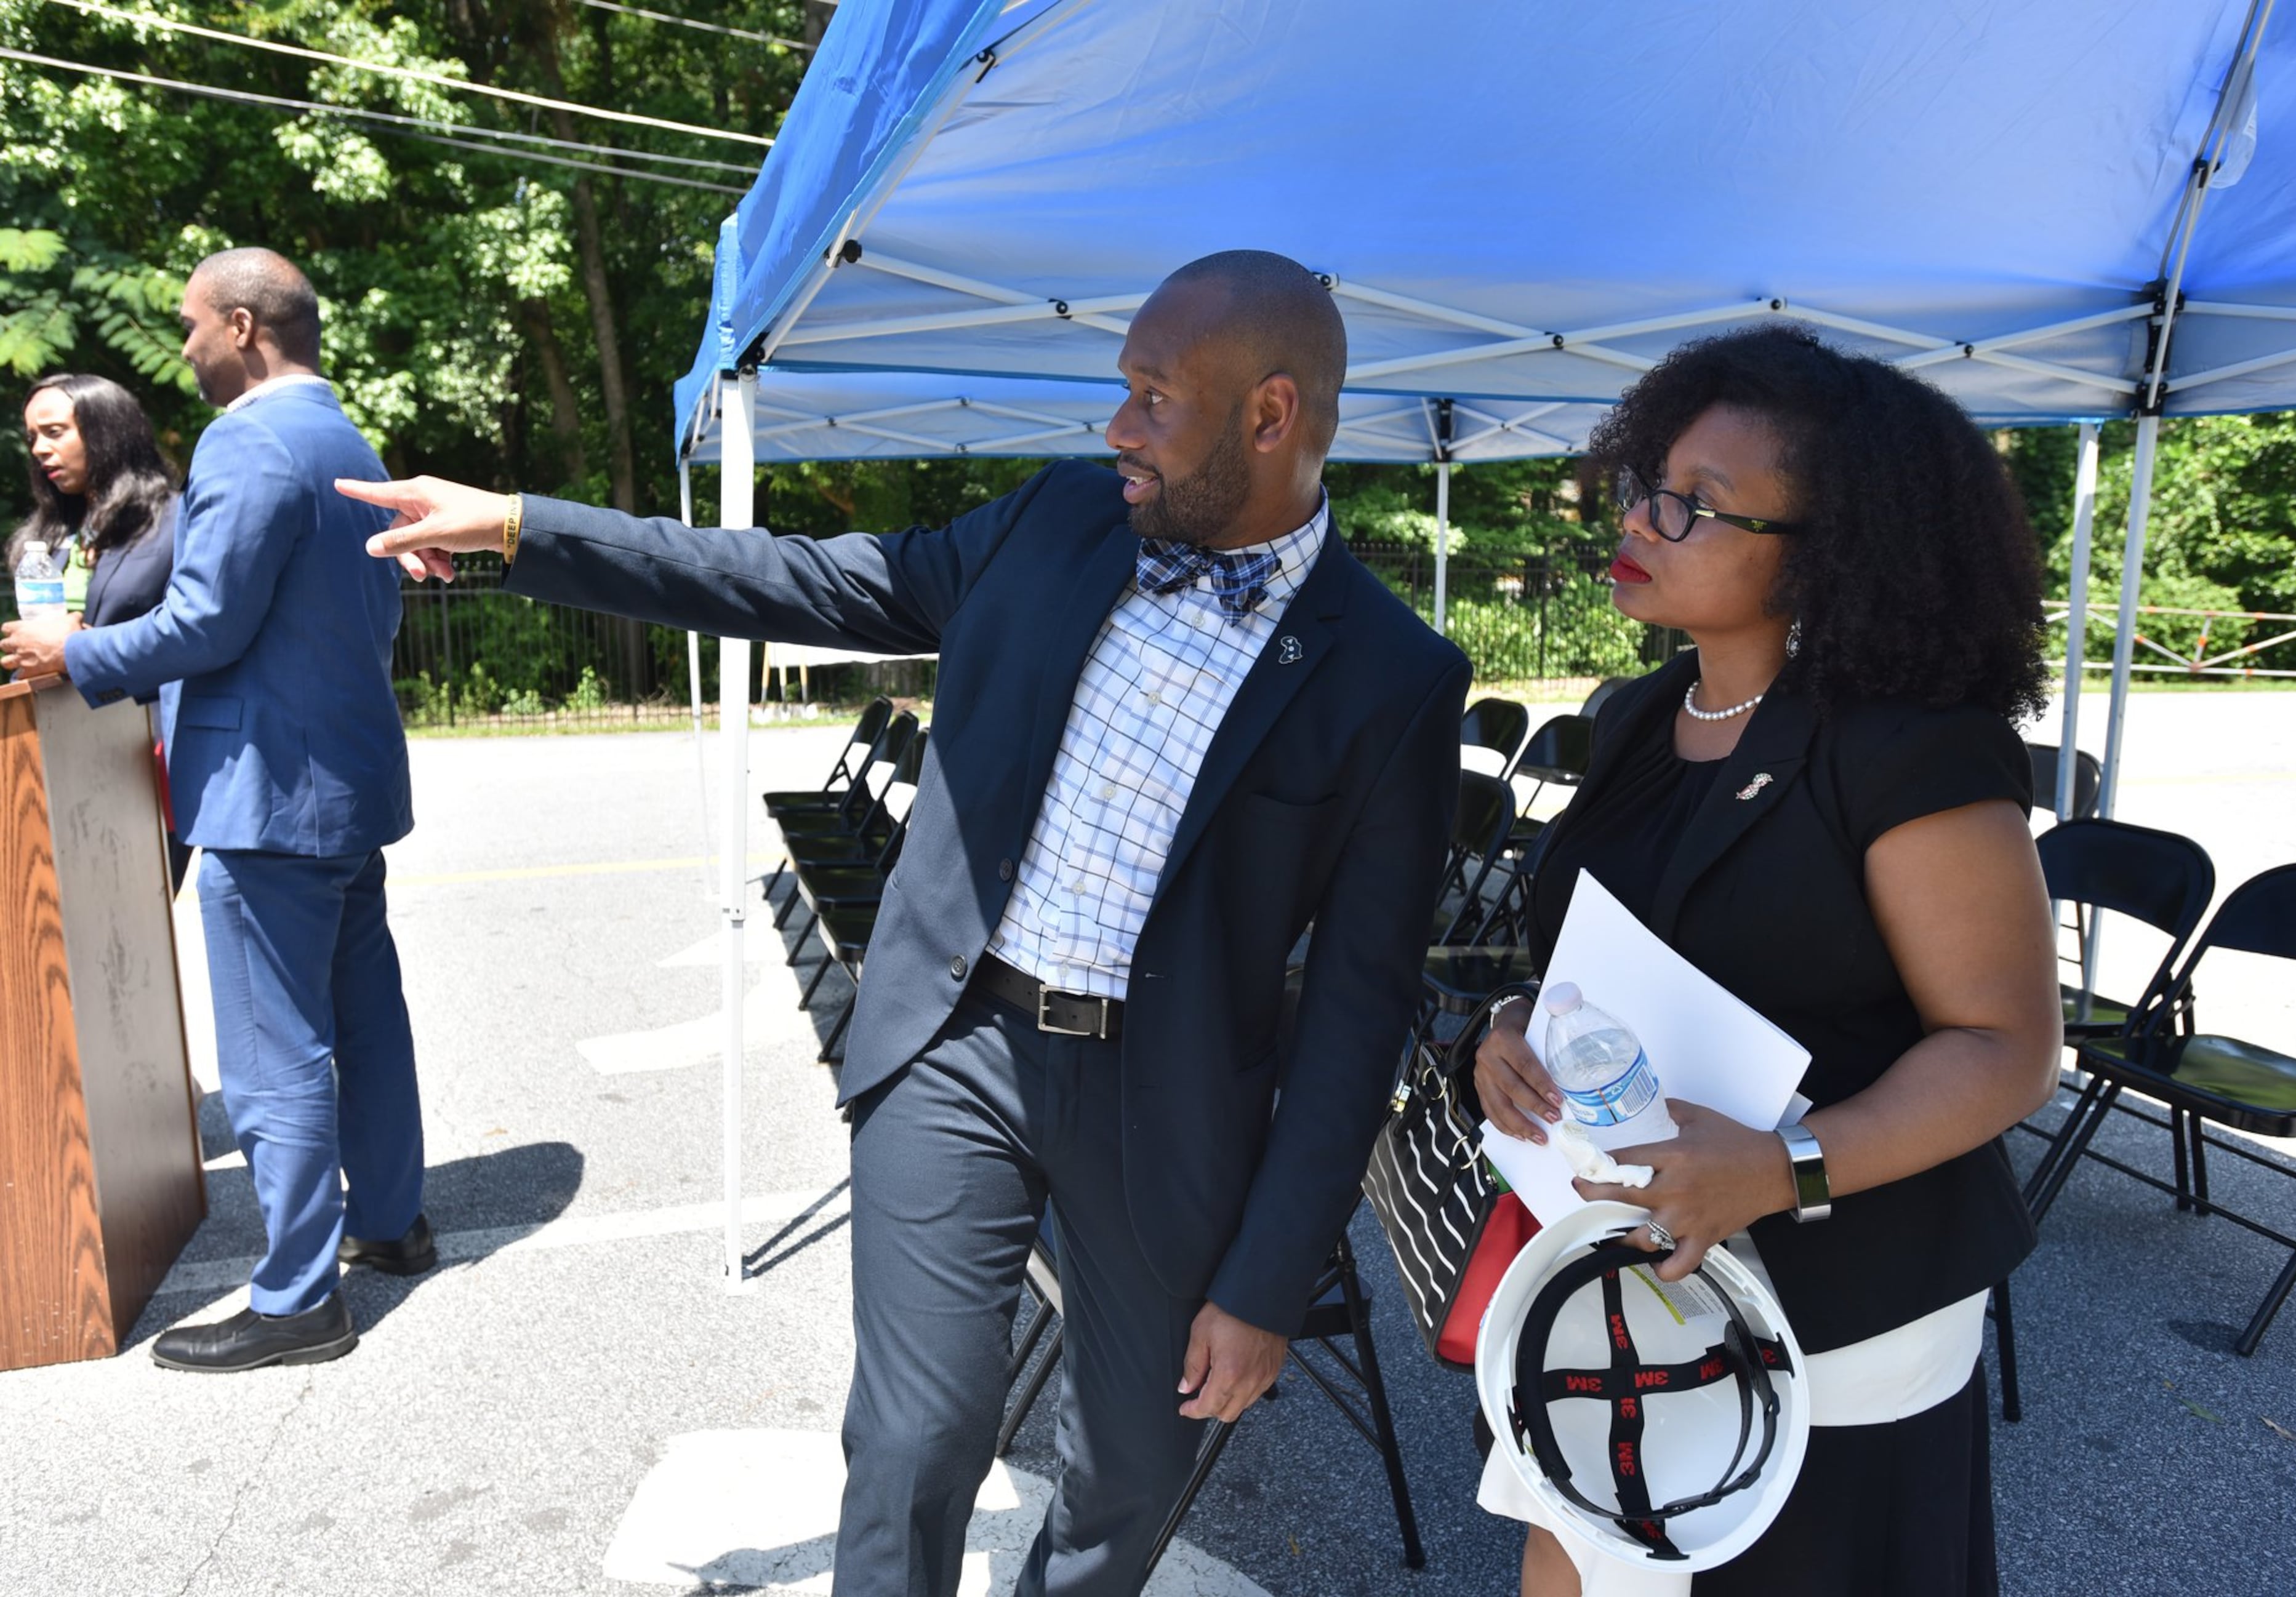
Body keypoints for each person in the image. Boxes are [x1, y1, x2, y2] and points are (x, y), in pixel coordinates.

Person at [339, 249, 1469, 1596]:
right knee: (915, 1436)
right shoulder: (1058, 520)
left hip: (1168, 1108)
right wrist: (529, 526)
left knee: (1129, 1476)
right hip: (959, 1042)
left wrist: (1274, 1276)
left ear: (1271, 415)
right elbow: (802, 579)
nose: (1117, 427)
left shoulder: (1397, 674)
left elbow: (1359, 1007)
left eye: (1154, 399)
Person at [1469, 326, 2060, 1595]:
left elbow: (2007, 1046)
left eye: (1698, 504)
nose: (1642, 515)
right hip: (1618, 1255)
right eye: (1648, 481)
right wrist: (1518, 1024)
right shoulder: (1636, 716)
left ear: (1833, 556)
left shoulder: (1913, 749)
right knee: (1579, 1547)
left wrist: (1784, 1165)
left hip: (1846, 1285)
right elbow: (1600, 949)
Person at [1, 247, 432, 1372]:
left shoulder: (247, 439)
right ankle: (391, 1221)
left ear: (242, 327)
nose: (182, 347)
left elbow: (206, 623)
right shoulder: (347, 436)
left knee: (273, 1049)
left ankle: (298, 1300)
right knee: (365, 1015)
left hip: (262, 796)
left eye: (191, 327)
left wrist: (75, 647)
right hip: (344, 780)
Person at [12, 372, 191, 887]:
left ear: (107, 430)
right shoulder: (49, 534)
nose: (40, 450)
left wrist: (81, 647)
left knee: (132, 913)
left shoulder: (175, 523)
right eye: (32, 439)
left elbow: (189, 637)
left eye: (54, 432)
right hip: (47, 746)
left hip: (137, 750)